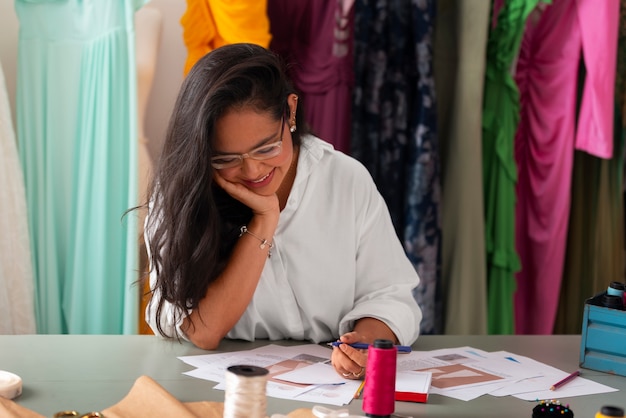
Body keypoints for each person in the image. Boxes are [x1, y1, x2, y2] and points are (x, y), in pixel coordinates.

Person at [144, 43, 422, 379]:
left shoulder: (345, 179)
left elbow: (390, 294)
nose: (252, 171)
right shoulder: (179, 193)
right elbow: (201, 330)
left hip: (333, 393)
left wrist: (363, 341)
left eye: (266, 148)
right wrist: (264, 222)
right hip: (225, 390)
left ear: (290, 112)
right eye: (226, 159)